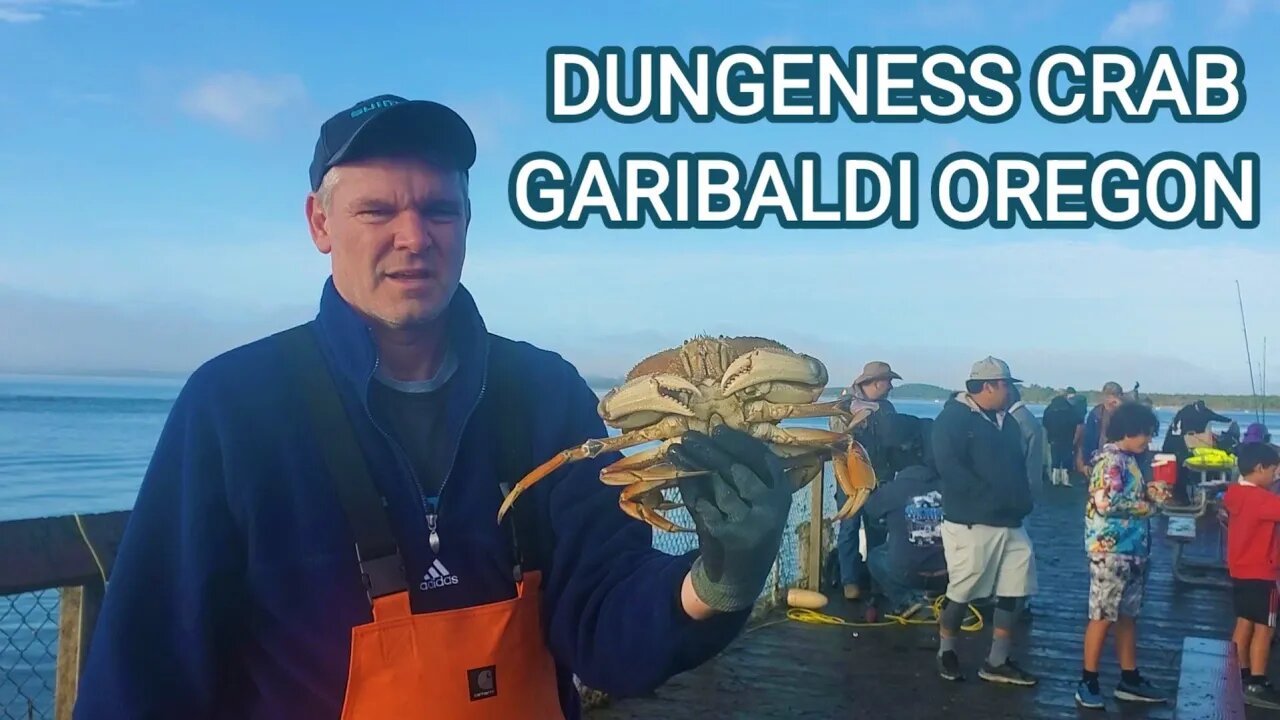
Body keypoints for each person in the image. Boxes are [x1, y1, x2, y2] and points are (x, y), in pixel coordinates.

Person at [73, 95, 794, 720]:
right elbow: (147, 666)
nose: (414, 238)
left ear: (468, 222)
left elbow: (607, 634)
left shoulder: (544, 392)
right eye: (377, 210)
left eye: (439, 209)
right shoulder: (232, 407)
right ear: (320, 225)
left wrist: (717, 581)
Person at [931, 357, 1037, 686]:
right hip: (971, 523)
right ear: (989, 385)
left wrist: (1021, 500)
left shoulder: (1005, 419)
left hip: (1010, 521)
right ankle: (946, 650)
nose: (1012, 389)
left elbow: (1019, 463)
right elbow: (950, 468)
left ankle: (997, 660)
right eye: (1007, 383)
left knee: (1014, 589)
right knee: (962, 590)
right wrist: (988, 499)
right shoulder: (953, 419)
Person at [1074, 402, 1172, 710]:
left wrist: (1150, 492)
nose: (1148, 440)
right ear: (1128, 431)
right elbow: (1106, 503)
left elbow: (1125, 497)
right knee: (1102, 617)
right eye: (1145, 434)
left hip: (1132, 549)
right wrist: (1149, 506)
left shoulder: (1129, 461)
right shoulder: (1111, 462)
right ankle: (1087, 680)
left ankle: (1129, 678)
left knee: (1127, 616)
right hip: (1110, 551)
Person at [829, 360, 901, 600]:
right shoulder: (845, 406)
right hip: (851, 479)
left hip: (881, 479)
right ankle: (850, 582)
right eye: (888, 381)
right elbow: (837, 440)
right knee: (849, 528)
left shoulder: (888, 408)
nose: (891, 386)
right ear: (877, 382)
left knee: (878, 529)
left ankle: (877, 581)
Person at [864, 415, 947, 614]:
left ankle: (905, 601)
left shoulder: (893, 490)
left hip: (909, 573)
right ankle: (941, 597)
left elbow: (871, 511)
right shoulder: (947, 486)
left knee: (876, 557)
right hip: (948, 572)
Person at [1223, 442, 1280, 710]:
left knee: (1244, 622)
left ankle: (1240, 673)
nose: (1275, 476)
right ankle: (1257, 680)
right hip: (1263, 573)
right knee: (1265, 630)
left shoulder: (1234, 494)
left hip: (1240, 571)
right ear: (1259, 468)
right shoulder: (1264, 500)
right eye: (1274, 471)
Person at [1077, 382, 1125, 476]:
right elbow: (1088, 439)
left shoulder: (1124, 414)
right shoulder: (1095, 414)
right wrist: (1086, 462)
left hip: (1118, 460)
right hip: (1098, 458)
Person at [1008, 385, 1047, 501]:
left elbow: (1014, 457)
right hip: (1032, 481)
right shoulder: (1027, 417)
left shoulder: (1015, 420)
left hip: (1020, 485)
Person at [1042, 390, 1083, 487]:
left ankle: (1055, 479)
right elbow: (1079, 425)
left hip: (1053, 439)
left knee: (1054, 458)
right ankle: (1065, 479)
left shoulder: (1049, 410)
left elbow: (1045, 425)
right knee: (1066, 458)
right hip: (1068, 439)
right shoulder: (1071, 410)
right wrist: (1075, 439)